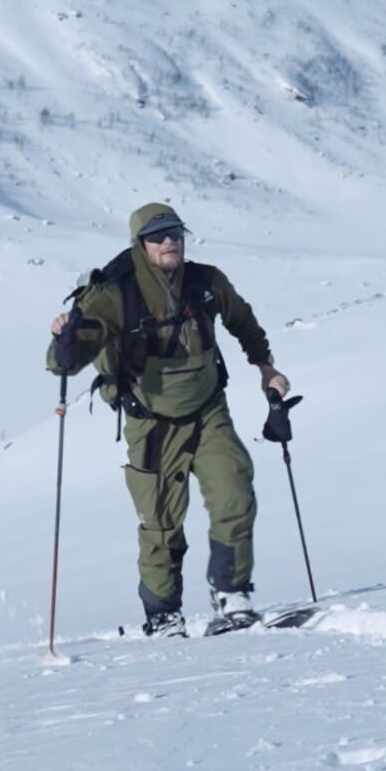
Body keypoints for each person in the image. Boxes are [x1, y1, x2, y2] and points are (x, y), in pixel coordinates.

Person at [47, 203, 293, 636]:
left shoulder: (206, 282)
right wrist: (65, 340)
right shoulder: (114, 295)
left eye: (175, 233)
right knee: (161, 520)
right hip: (152, 422)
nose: (169, 241)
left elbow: (242, 319)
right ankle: (163, 614)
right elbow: (66, 360)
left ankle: (231, 595)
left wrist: (265, 367)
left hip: (208, 409)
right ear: (140, 244)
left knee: (234, 490)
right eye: (158, 235)